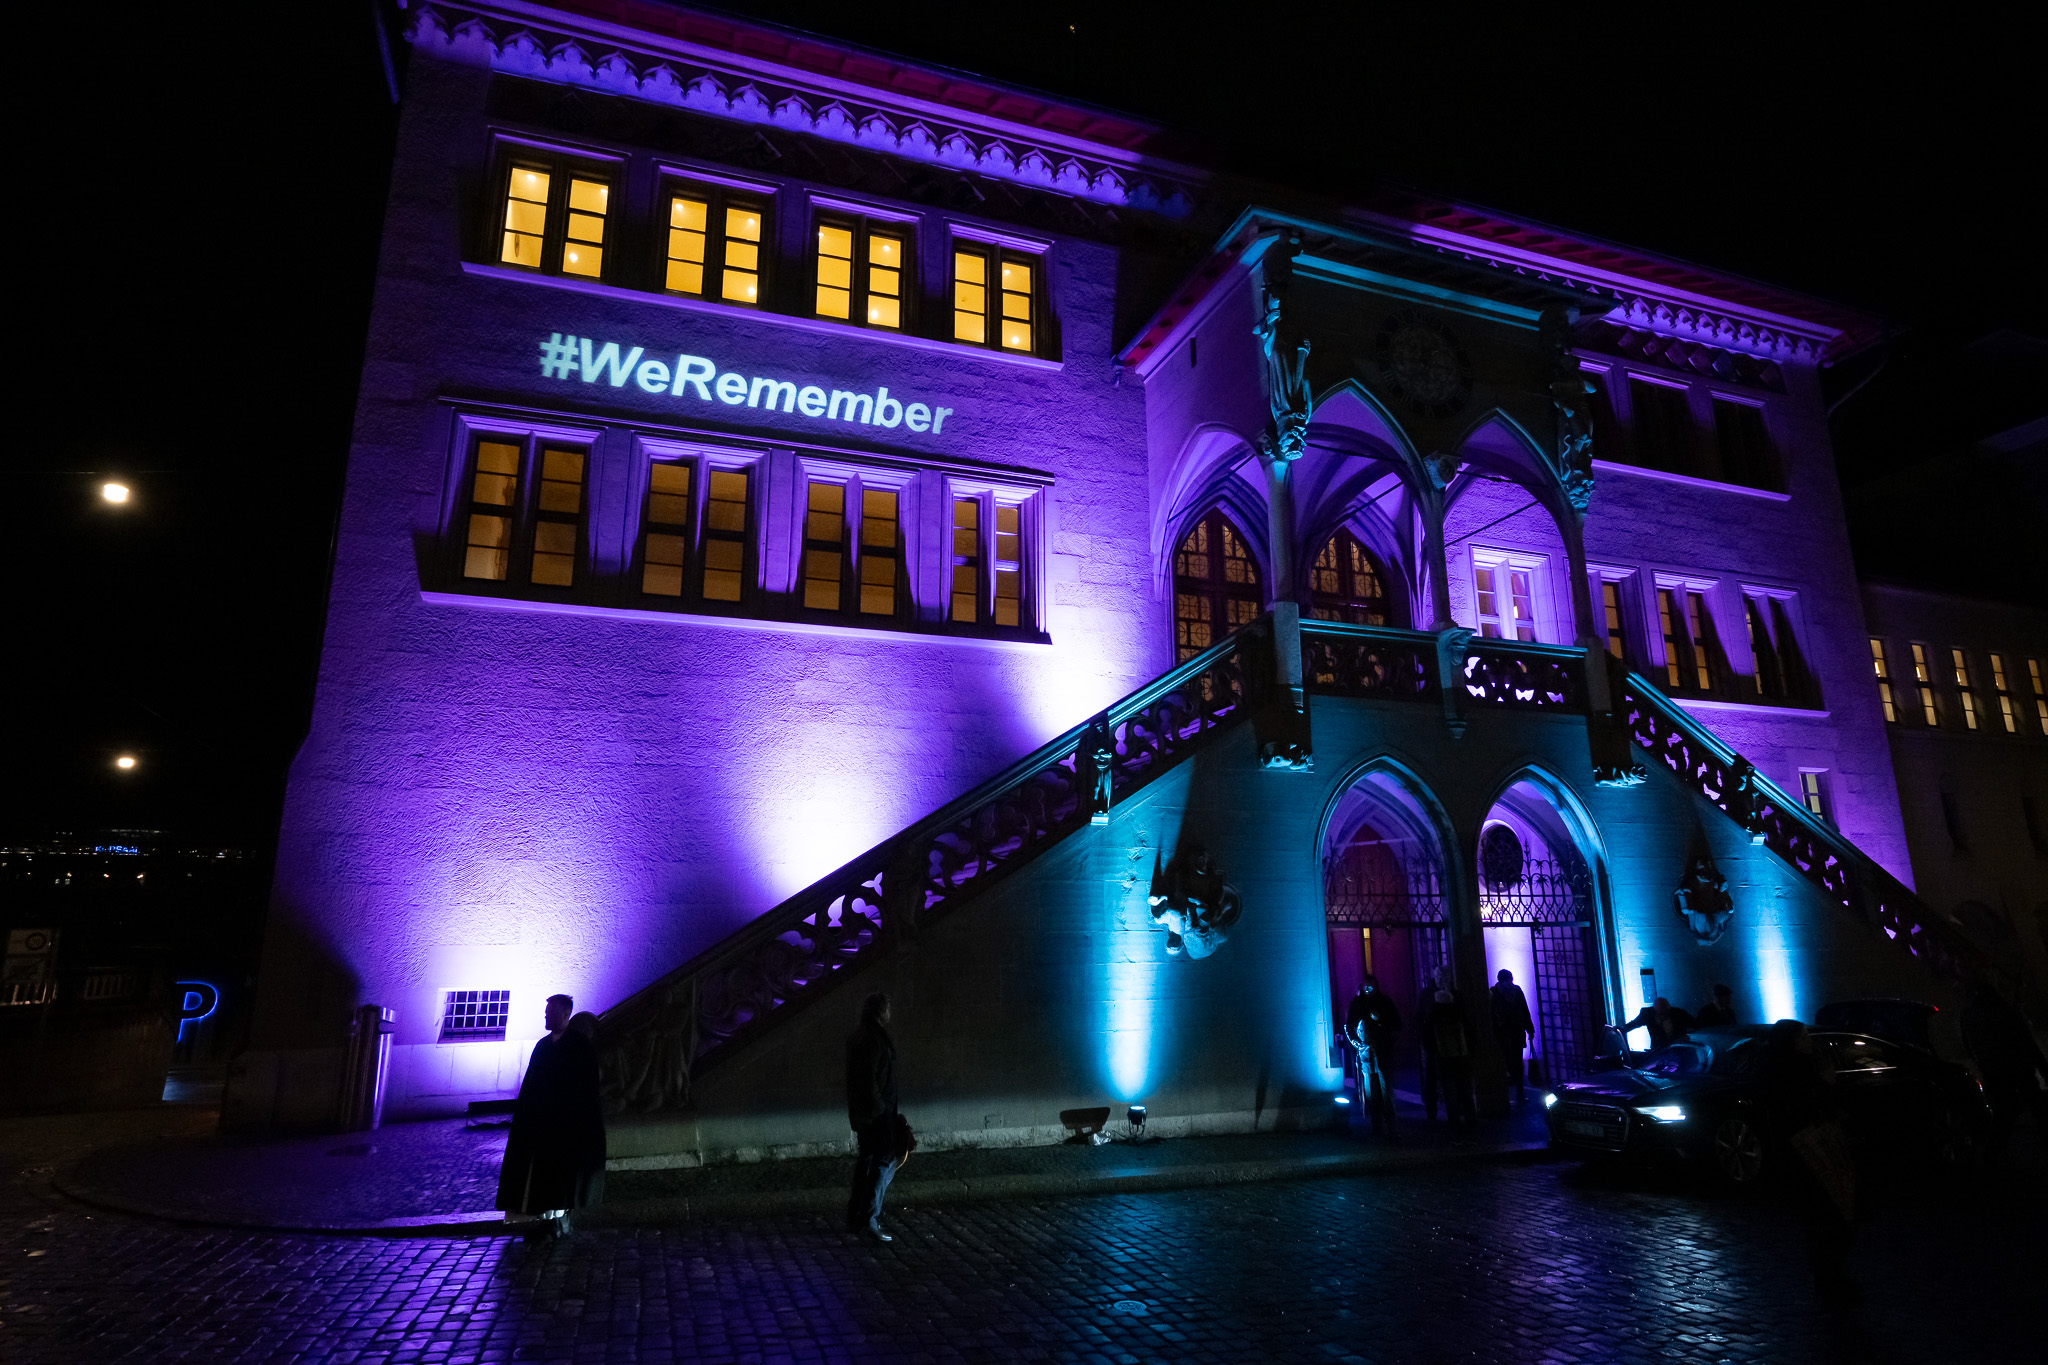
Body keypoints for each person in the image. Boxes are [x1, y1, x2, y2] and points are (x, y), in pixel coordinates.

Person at [1758, 1018, 1857, 1301]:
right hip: (1806, 1149)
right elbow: (1803, 1107)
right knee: (1825, 1215)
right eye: (1802, 1036)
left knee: (1823, 1218)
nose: (1808, 1040)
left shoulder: (1787, 1068)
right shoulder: (1791, 1072)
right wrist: (1826, 1086)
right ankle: (1830, 1278)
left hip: (1803, 1148)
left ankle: (1830, 1275)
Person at [497, 993, 607, 1240]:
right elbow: (531, 1083)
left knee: (561, 1175)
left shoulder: (580, 1046)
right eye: (546, 1012)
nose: (546, 1016)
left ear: (565, 1014)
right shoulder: (543, 1046)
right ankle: (544, 1221)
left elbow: (587, 1087)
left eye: (551, 1012)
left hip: (565, 1125)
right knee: (541, 1175)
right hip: (541, 1123)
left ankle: (559, 1220)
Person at [845, 991, 902, 1243]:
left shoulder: (863, 1036)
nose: (890, 1013)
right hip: (876, 1116)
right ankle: (869, 1218)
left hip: (869, 1114)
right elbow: (869, 1080)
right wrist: (881, 1110)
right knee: (882, 1162)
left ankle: (858, 1217)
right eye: (887, 1008)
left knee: (868, 1163)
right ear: (881, 1012)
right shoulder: (873, 1040)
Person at [1344, 973, 1402, 1136]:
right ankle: (1377, 1125)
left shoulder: (1384, 1002)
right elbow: (1349, 1027)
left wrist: (1380, 1021)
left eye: (1370, 986)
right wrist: (1357, 1043)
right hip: (1367, 1053)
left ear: (1376, 987)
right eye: (1365, 987)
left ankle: (1390, 1126)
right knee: (1372, 1091)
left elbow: (1396, 1025)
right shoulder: (1357, 1003)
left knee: (1385, 1090)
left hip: (1383, 1051)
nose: (1367, 989)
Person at [1421, 970, 1477, 1130]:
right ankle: (1470, 1122)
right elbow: (1469, 1029)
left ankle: (1453, 1123)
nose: (1442, 980)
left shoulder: (1433, 1013)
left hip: (1442, 1057)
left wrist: (1430, 1048)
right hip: (1460, 1056)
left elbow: (1425, 1031)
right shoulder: (1458, 1012)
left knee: (1448, 1090)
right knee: (1464, 1090)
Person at [1490, 969, 1535, 1102]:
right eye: (1507, 980)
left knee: (1512, 1062)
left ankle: (1513, 1092)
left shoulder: (1494, 993)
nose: (1510, 982)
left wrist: (1529, 1028)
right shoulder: (1515, 991)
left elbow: (1525, 1010)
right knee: (1512, 1061)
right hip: (1509, 1032)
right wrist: (1529, 1029)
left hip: (1507, 1032)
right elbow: (1524, 1010)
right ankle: (1517, 1092)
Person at [1617, 997, 1696, 1053]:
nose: (1662, 1016)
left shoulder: (1679, 1013)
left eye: (1664, 1012)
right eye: (1660, 1013)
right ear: (1654, 1009)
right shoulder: (1647, 1014)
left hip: (1680, 1049)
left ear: (1669, 1007)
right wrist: (1621, 1028)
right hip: (1658, 1051)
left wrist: (1686, 1036)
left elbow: (1695, 1024)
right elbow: (1634, 1023)